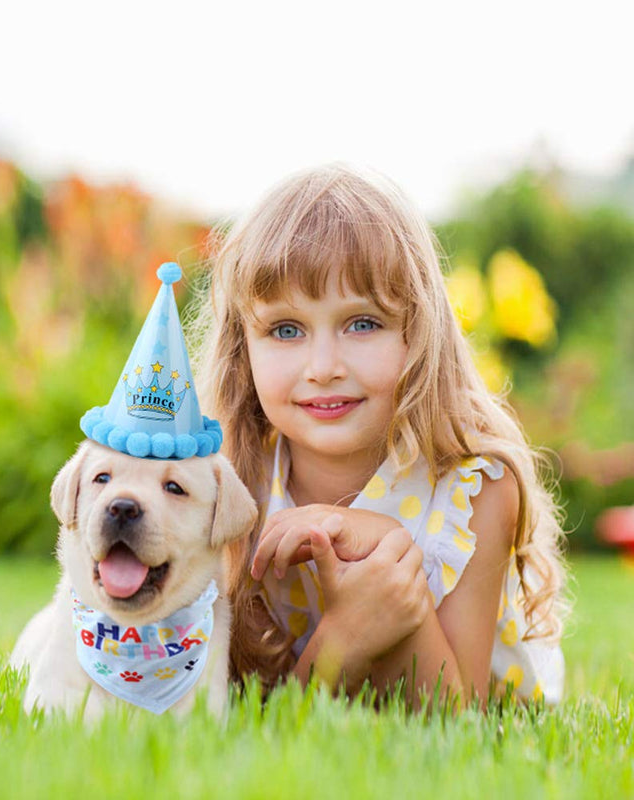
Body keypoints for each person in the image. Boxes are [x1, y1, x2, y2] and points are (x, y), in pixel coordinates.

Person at [189, 164, 567, 706]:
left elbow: (455, 719)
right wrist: (344, 637)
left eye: (362, 323)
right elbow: (232, 711)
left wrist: (388, 569)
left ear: (418, 331)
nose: (323, 366)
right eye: (286, 330)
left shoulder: (473, 489)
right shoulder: (229, 486)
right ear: (241, 349)